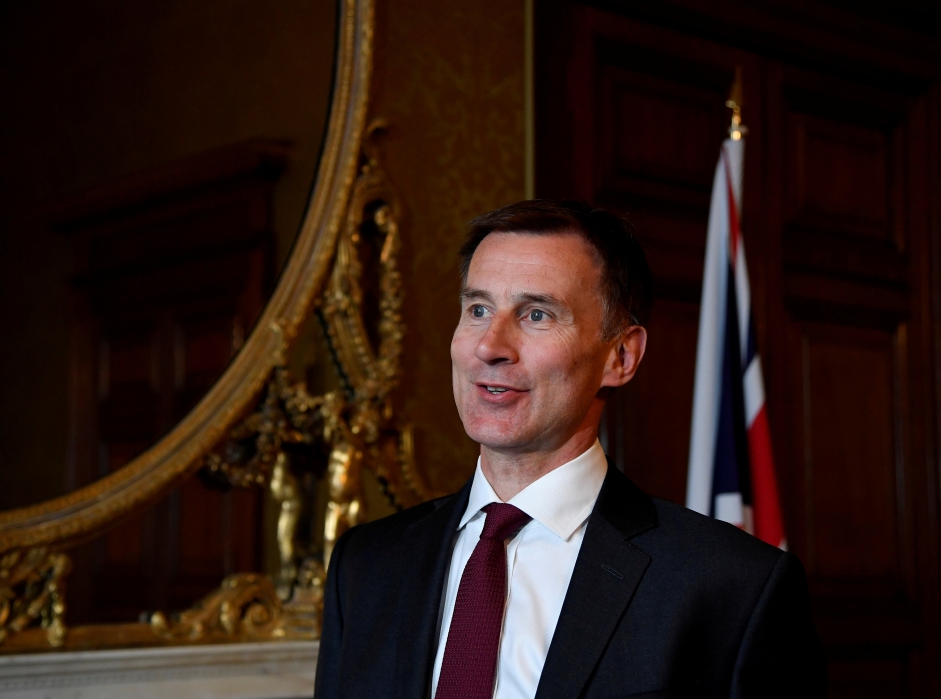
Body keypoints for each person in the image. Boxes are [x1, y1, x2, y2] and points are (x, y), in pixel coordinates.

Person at [314, 200, 826, 698]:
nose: (490, 346)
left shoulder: (733, 586)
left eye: (536, 314)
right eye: (477, 308)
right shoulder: (365, 567)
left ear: (620, 357)